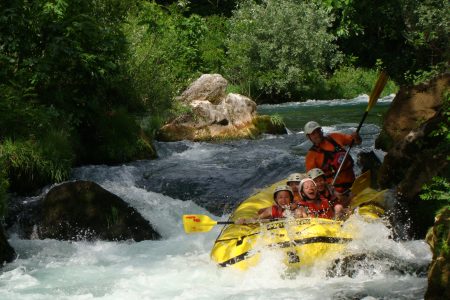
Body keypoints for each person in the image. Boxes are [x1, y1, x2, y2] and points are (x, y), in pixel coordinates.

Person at [304, 121, 362, 193]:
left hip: (353, 182)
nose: (317, 134)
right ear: (308, 137)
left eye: (318, 131)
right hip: (335, 190)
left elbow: (356, 142)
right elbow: (312, 181)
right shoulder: (311, 156)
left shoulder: (335, 137)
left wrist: (357, 137)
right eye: (313, 133)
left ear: (321, 130)